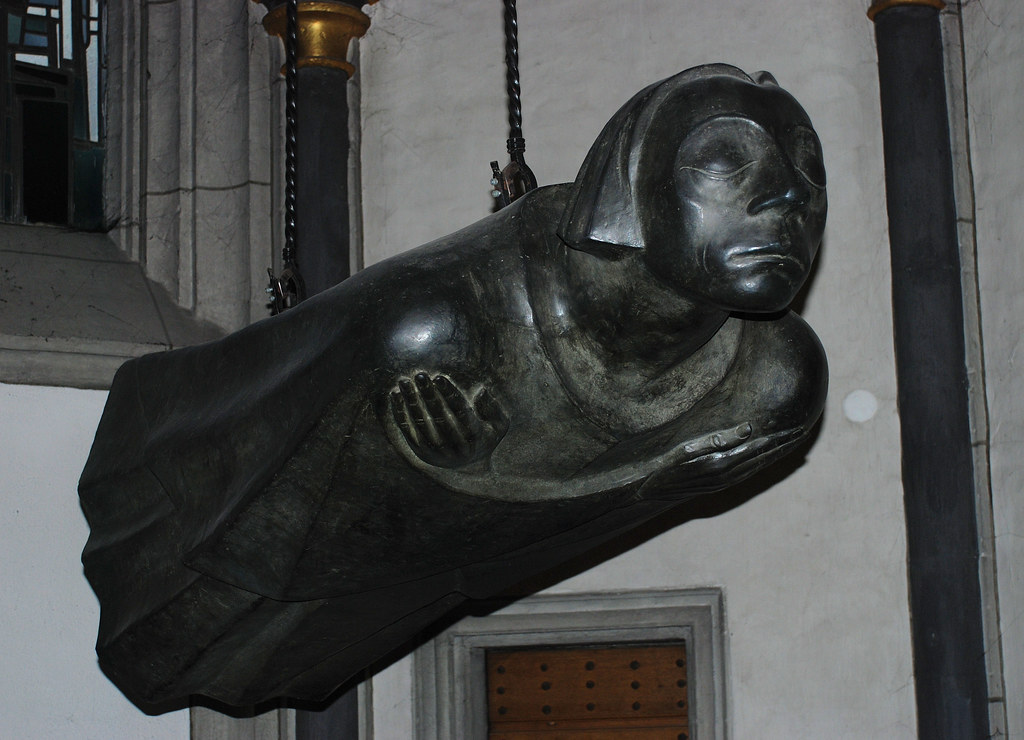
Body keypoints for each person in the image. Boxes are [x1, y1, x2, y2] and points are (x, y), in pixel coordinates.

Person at [79, 63, 827, 709]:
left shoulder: (771, 384)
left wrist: (638, 489)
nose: (789, 203)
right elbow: (288, 519)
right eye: (728, 164)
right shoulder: (436, 325)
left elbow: (498, 563)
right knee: (203, 618)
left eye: (807, 177)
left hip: (381, 589)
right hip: (222, 546)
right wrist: (433, 475)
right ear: (632, 187)